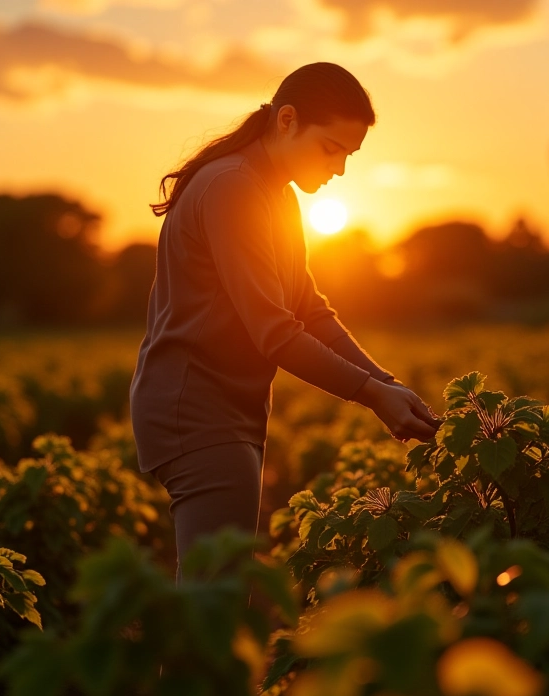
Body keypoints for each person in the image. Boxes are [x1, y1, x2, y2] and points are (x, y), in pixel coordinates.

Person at [129, 61, 440, 588]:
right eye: (331, 148)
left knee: (215, 599)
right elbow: (275, 332)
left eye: (350, 155)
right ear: (287, 120)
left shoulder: (276, 192)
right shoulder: (233, 187)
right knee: (214, 605)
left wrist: (387, 385)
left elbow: (309, 310)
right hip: (196, 413)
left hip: (224, 412)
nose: (340, 169)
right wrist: (370, 395)